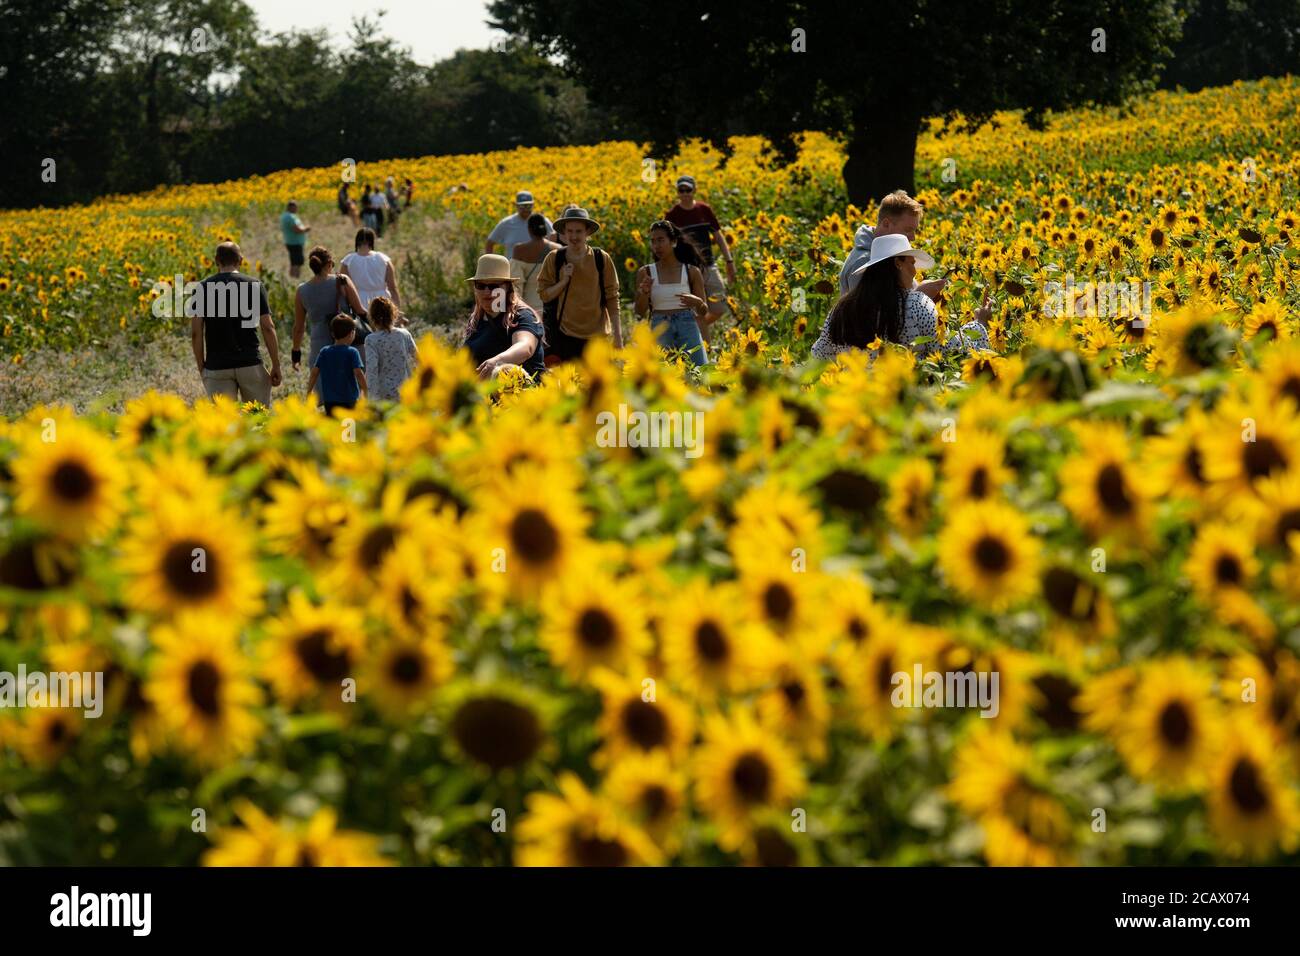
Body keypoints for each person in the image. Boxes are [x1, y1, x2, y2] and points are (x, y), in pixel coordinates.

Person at [810, 234, 990, 362]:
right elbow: (950, 350)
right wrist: (979, 324)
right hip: (905, 406)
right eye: (911, 263)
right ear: (898, 264)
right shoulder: (917, 304)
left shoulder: (841, 310)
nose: (915, 271)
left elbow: (819, 355)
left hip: (858, 404)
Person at [190, 241, 281, 406]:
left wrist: (202, 366)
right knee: (258, 419)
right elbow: (268, 327)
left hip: (217, 366)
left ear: (216, 260)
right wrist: (275, 364)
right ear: (241, 259)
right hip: (250, 362)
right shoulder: (254, 285)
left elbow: (196, 332)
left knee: (224, 424)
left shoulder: (202, 288)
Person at [537, 206, 622, 362]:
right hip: (565, 336)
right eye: (569, 231)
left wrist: (618, 337)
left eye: (578, 231)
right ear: (563, 232)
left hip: (598, 338)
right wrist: (563, 281)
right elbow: (544, 295)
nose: (574, 236)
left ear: (587, 232)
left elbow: (612, 298)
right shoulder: (554, 259)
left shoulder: (601, 258)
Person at [838, 190, 946, 302]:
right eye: (908, 230)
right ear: (886, 224)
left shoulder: (892, 253)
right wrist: (920, 295)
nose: (913, 237)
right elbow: (871, 313)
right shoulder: (862, 263)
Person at [292, 246, 366, 398]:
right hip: (348, 342)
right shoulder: (342, 280)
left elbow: (299, 327)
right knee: (352, 393)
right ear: (329, 264)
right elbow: (360, 311)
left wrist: (296, 353)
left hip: (320, 345)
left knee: (328, 395)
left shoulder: (302, 291)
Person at [633, 220, 710, 365]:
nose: (656, 246)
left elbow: (703, 311)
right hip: (660, 326)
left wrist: (697, 302)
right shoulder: (646, 272)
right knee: (663, 378)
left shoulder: (691, 271)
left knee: (699, 374)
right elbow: (639, 313)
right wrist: (644, 293)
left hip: (687, 324)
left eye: (661, 240)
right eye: (653, 241)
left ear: (673, 241)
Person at [664, 175, 736, 330]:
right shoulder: (672, 215)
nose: (684, 193)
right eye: (681, 190)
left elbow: (718, 235)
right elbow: (668, 245)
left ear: (694, 190)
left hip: (709, 265)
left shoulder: (704, 209)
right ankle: (699, 339)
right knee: (694, 310)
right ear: (677, 192)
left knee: (719, 308)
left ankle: (694, 330)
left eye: (688, 189)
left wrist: (729, 261)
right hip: (686, 269)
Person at [463, 254, 547, 381]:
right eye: (480, 285)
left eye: (493, 286)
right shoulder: (477, 319)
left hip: (521, 395)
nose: (486, 292)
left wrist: (496, 362)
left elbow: (525, 347)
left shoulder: (522, 316)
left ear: (507, 287)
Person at [307, 314, 367, 415]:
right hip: (349, 400)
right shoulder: (352, 352)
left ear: (332, 334)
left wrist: (309, 392)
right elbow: (358, 374)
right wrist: (366, 391)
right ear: (352, 333)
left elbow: (314, 373)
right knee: (349, 428)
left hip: (330, 401)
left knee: (333, 427)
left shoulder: (324, 351)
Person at [363, 295, 417, 401]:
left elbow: (372, 369)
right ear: (393, 314)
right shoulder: (404, 334)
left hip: (384, 394)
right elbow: (419, 359)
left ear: (372, 317)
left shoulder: (371, 340)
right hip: (405, 391)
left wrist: (371, 397)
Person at [340, 228, 402, 315]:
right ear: (372, 241)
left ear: (357, 241)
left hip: (358, 301)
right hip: (382, 301)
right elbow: (393, 288)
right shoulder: (383, 259)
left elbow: (343, 288)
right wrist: (397, 311)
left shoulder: (348, 261)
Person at [509, 213, 562, 314]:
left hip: (528, 308)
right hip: (552, 306)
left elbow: (516, 284)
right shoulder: (557, 249)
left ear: (529, 230)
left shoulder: (519, 250)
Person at [486, 190, 554, 259]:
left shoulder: (542, 221)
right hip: (513, 268)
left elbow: (555, 238)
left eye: (529, 206)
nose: (526, 209)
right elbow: (490, 242)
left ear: (533, 205)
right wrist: (491, 263)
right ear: (516, 206)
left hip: (537, 268)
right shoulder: (506, 223)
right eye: (522, 206)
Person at [280, 201, 310, 279]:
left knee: (293, 262)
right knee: (297, 263)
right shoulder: (290, 217)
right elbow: (296, 230)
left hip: (290, 241)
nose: (297, 209)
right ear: (291, 207)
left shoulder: (284, 216)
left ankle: (292, 278)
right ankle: (295, 278)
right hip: (295, 243)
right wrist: (306, 229)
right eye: (295, 207)